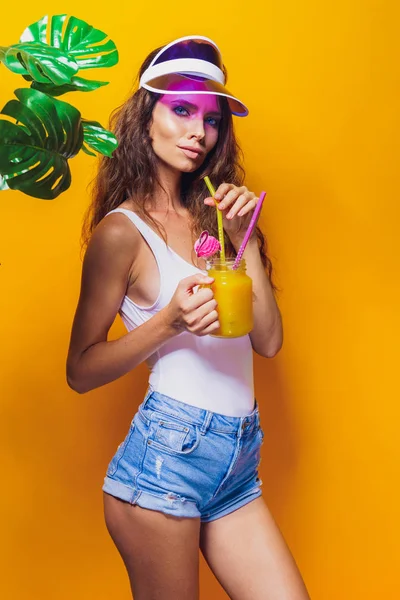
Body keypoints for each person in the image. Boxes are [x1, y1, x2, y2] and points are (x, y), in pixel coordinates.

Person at [66, 35, 310, 600]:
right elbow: (80, 370)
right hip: (164, 467)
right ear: (144, 117)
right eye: (181, 110)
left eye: (212, 118)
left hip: (237, 463)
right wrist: (169, 321)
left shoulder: (216, 219)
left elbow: (269, 342)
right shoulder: (122, 233)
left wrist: (243, 240)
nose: (200, 131)